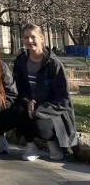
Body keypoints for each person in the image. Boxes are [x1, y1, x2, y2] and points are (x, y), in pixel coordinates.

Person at [13, 24, 77, 161]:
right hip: (31, 105)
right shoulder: (20, 62)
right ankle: (30, 145)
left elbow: (63, 100)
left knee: (40, 125)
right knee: (16, 110)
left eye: (33, 37)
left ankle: (52, 143)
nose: (29, 41)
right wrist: (28, 101)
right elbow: (19, 90)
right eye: (26, 37)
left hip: (53, 110)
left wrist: (40, 109)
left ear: (42, 39)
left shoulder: (54, 64)